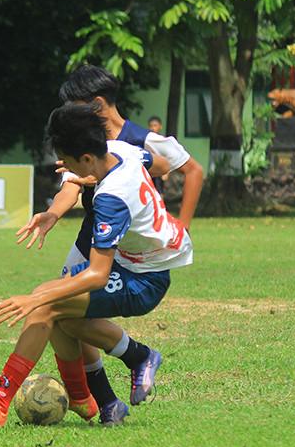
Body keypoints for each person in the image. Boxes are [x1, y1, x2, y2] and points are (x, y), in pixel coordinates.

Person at [0, 102, 191, 427]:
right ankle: (97, 389)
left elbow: (97, 274)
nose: (68, 172)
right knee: (65, 319)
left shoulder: (111, 199)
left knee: (46, 304)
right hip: (136, 263)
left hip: (143, 279)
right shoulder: (120, 151)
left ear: (87, 158)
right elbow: (160, 163)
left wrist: (35, 300)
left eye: (71, 165)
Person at [16, 64, 204, 425]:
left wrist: (182, 226)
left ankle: (118, 379)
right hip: (95, 235)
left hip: (131, 245)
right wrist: (54, 214)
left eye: (76, 106)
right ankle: (106, 402)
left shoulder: (140, 141)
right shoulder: (85, 138)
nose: (70, 114)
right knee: (69, 309)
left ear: (97, 104)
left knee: (66, 306)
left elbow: (190, 170)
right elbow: (71, 183)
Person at [146, 115, 166, 193]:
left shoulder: (162, 140)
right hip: (151, 168)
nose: (153, 128)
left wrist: (166, 173)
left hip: (160, 168)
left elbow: (167, 156)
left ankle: (161, 205)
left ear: (160, 126)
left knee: (159, 190)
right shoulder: (148, 140)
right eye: (151, 126)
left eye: (155, 125)